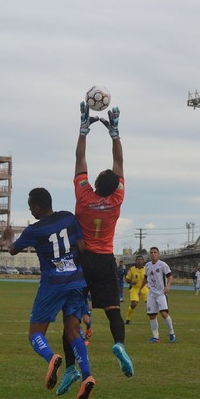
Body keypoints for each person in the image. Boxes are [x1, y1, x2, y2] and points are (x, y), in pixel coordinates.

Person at [7, 187, 96, 399]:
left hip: (52, 285)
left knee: (35, 334)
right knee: (73, 332)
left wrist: (8, 238)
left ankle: (52, 358)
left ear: (37, 207)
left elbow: (13, 250)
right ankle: (87, 376)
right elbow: (83, 247)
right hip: (76, 281)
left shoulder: (34, 230)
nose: (31, 211)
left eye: (31, 208)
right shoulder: (68, 217)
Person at [73, 101, 134, 378]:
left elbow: (80, 160)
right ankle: (119, 344)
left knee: (73, 309)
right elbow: (119, 163)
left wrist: (83, 130)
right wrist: (115, 133)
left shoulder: (84, 196)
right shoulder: (116, 200)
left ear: (95, 182)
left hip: (83, 259)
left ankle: (75, 363)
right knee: (112, 311)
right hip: (106, 259)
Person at [142, 246, 177, 343]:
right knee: (152, 315)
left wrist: (168, 286)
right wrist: (140, 288)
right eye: (151, 253)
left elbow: (170, 276)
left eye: (155, 252)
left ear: (158, 254)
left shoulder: (162, 265)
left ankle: (171, 333)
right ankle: (156, 337)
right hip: (151, 294)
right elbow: (145, 278)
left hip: (161, 293)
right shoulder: (147, 265)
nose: (153, 254)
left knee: (163, 313)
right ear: (150, 254)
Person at [123, 254, 148, 325]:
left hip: (144, 288)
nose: (139, 261)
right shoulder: (132, 269)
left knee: (150, 303)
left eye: (141, 260)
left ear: (143, 261)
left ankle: (152, 318)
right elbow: (127, 279)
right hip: (135, 289)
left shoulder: (146, 269)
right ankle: (128, 318)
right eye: (138, 260)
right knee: (133, 304)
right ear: (136, 261)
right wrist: (131, 282)